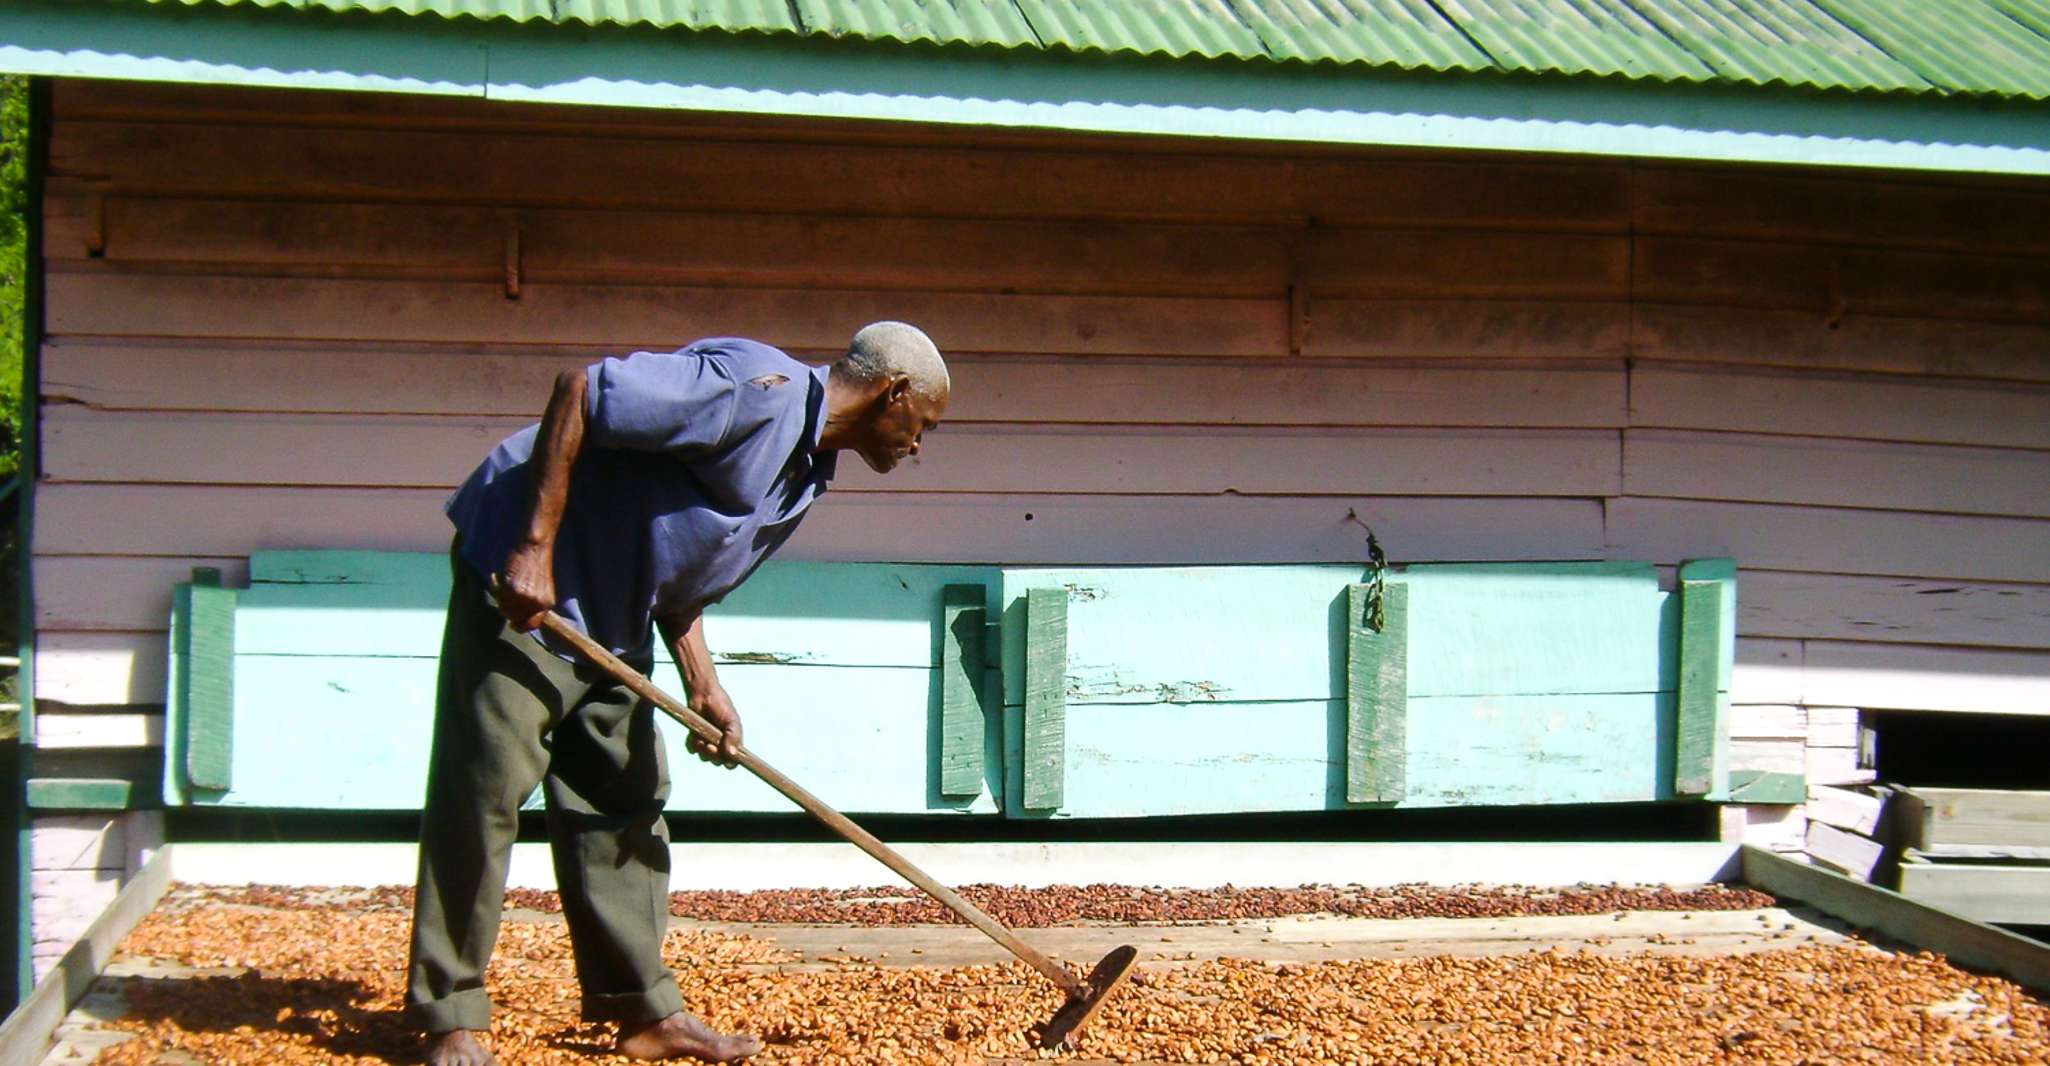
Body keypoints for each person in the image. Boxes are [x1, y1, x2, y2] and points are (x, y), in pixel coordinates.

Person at [405, 323, 950, 1065]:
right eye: (924, 424)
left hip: (613, 612)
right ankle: (452, 1015)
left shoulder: (805, 471)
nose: (917, 445)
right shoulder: (758, 391)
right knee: (486, 791)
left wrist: (704, 682)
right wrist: (532, 550)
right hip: (523, 589)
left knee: (623, 799)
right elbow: (581, 391)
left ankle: (643, 1013)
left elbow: (678, 562)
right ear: (894, 393)